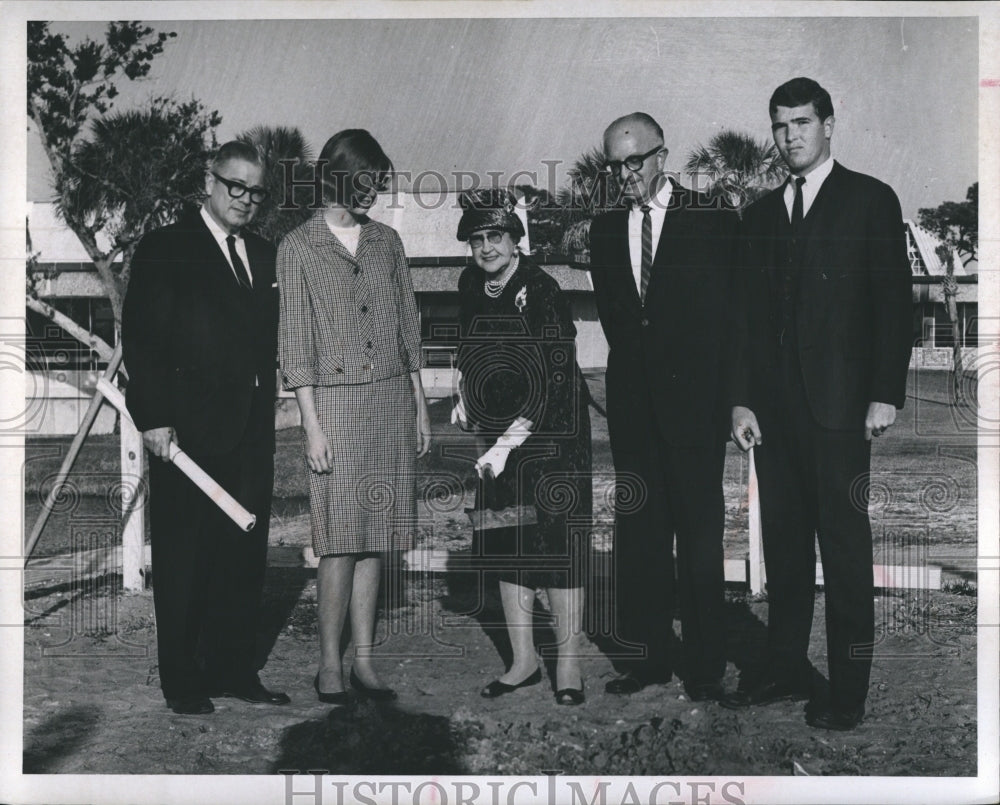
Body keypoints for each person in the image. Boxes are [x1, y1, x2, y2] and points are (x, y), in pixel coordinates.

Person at [725, 77, 912, 730]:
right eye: (779, 125)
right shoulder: (758, 215)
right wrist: (741, 402)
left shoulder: (869, 201)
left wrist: (885, 392)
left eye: (802, 122)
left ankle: (849, 689)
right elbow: (746, 320)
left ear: (829, 125)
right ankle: (782, 666)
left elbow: (894, 307)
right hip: (773, 420)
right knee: (783, 548)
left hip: (840, 412)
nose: (789, 136)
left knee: (845, 551)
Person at [122, 140, 288, 715]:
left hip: (250, 433)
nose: (245, 199)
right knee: (185, 556)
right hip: (184, 437)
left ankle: (233, 668)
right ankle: (182, 680)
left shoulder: (266, 254)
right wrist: (154, 418)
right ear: (209, 182)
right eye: (235, 186)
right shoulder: (167, 247)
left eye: (257, 191)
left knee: (242, 555)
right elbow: (141, 338)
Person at [277, 129, 431, 705]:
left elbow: (409, 327)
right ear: (337, 176)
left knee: (378, 539)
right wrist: (310, 425)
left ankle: (364, 661)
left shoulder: (387, 243)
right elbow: (295, 343)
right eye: (365, 181)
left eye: (378, 182)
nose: (373, 192)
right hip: (335, 410)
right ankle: (328, 666)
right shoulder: (297, 247)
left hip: (391, 400)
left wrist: (419, 405)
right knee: (338, 541)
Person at [588, 113, 738, 701]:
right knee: (640, 536)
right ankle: (646, 658)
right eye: (613, 165)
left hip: (697, 412)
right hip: (633, 412)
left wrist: (729, 402)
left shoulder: (713, 220)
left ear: (662, 156)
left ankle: (705, 665)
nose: (624, 175)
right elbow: (620, 322)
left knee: (699, 538)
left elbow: (732, 319)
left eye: (634, 162)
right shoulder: (603, 230)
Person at [452, 188, 592, 705]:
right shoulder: (470, 283)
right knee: (506, 539)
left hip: (553, 436)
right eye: (477, 238)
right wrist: (464, 394)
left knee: (557, 548)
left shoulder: (544, 288)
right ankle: (523, 662)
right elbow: (466, 344)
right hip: (497, 436)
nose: (486, 247)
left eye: (496, 236)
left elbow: (553, 379)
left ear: (516, 239)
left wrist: (510, 442)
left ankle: (569, 667)